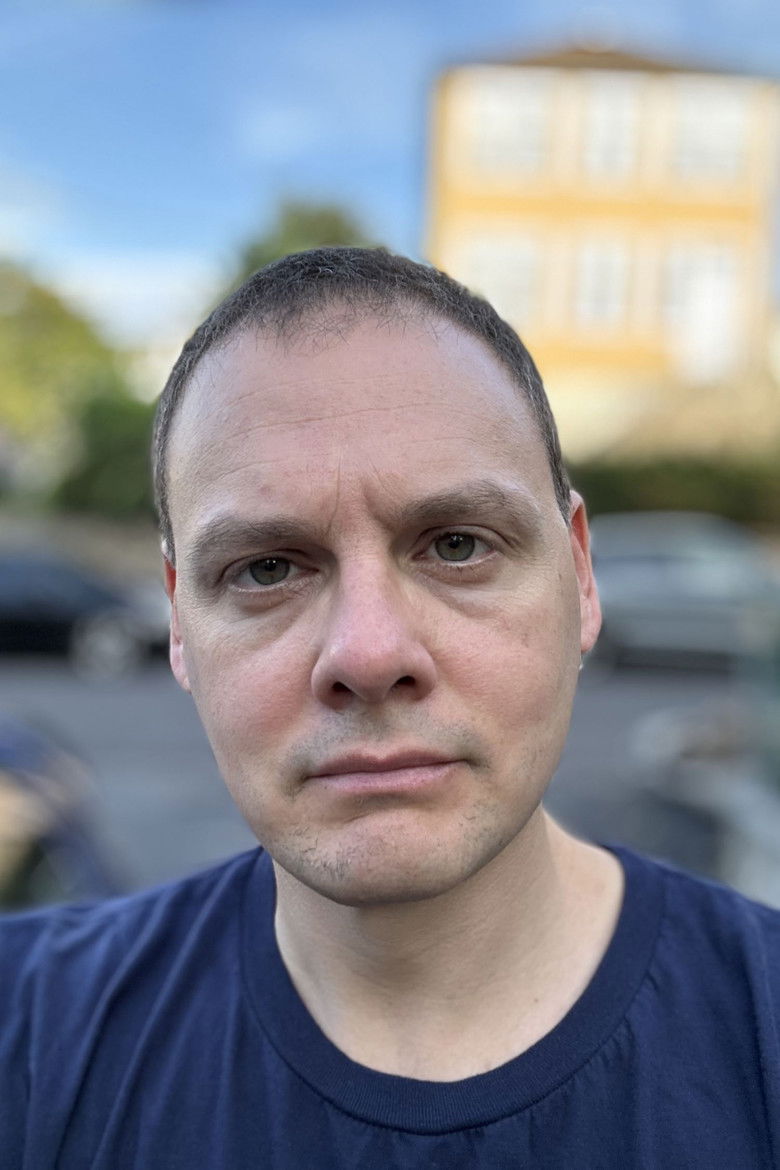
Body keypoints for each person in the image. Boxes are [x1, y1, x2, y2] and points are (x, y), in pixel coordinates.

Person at [2, 247, 779, 1169]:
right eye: (266, 568)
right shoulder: (27, 1033)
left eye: (457, 546)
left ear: (579, 575)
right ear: (178, 624)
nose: (369, 655)